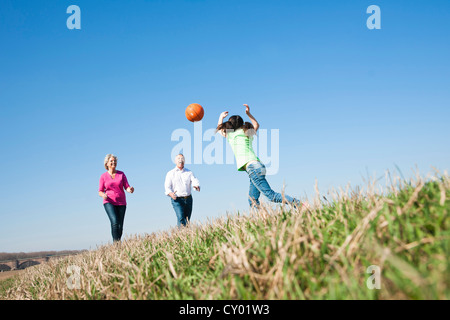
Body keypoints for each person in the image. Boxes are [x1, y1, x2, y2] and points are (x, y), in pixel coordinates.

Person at [217, 104, 306, 209]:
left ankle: (301, 205)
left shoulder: (231, 135)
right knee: (252, 199)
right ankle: (260, 220)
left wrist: (221, 117)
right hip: (258, 166)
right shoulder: (246, 131)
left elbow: (220, 130)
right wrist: (248, 113)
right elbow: (256, 124)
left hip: (252, 168)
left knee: (271, 196)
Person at [98, 154, 134, 242]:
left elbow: (127, 187)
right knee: (114, 222)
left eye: (115, 161)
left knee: (120, 226)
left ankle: (118, 242)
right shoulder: (103, 176)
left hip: (121, 202)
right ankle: (116, 244)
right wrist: (103, 195)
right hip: (109, 202)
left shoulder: (121, 174)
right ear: (107, 163)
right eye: (111, 161)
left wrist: (130, 190)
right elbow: (100, 191)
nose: (113, 162)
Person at [164, 154, 200, 227]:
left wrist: (196, 186)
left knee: (186, 220)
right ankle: (182, 235)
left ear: (184, 161)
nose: (181, 160)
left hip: (188, 199)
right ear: (175, 161)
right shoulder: (170, 173)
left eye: (182, 159)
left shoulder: (189, 172)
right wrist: (170, 193)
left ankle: (184, 235)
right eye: (178, 159)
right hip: (177, 199)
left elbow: (194, 180)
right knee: (181, 218)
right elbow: (167, 187)